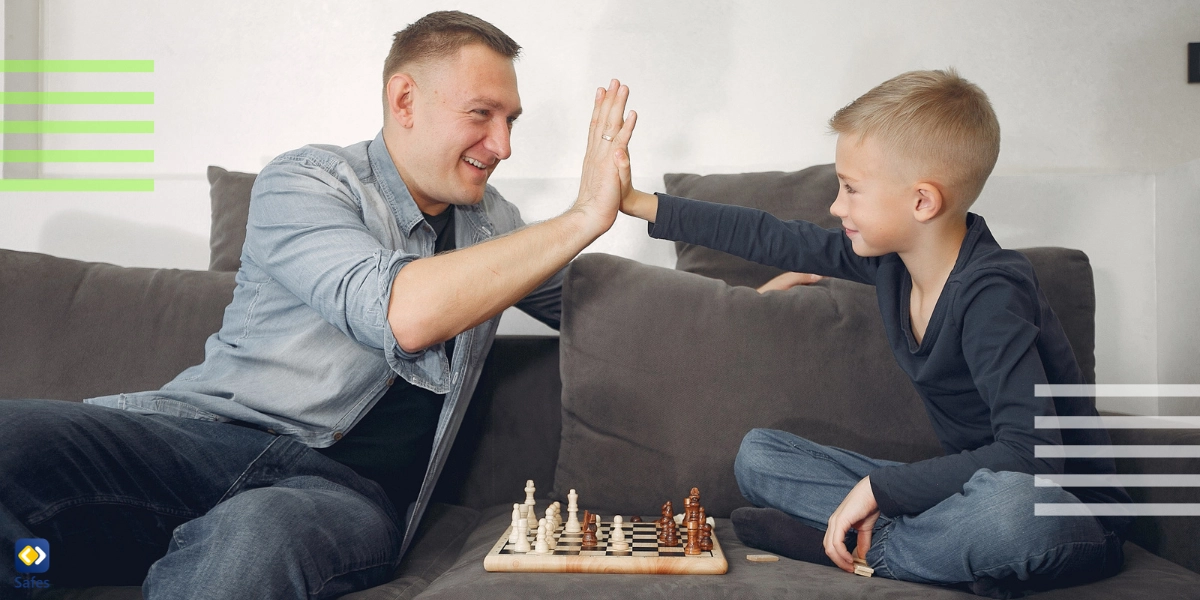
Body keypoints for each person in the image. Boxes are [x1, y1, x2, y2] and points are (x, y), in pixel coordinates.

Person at [0, 10, 636, 599]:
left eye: (511, 120)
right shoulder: (308, 179)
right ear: (405, 100)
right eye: (481, 113)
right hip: (201, 441)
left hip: (342, 494)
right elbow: (399, 313)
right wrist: (582, 216)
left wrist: (728, 285)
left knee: (259, 532)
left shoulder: (500, 231)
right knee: (14, 436)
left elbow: (608, 311)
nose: (502, 145)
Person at [615, 69, 1130, 593]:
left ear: (923, 202)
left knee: (1008, 513)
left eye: (850, 189)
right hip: (958, 495)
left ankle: (871, 548)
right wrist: (635, 201)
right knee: (759, 455)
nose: (837, 206)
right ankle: (923, 545)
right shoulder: (891, 264)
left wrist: (880, 488)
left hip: (1062, 510)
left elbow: (1032, 456)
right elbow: (776, 238)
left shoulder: (993, 292)